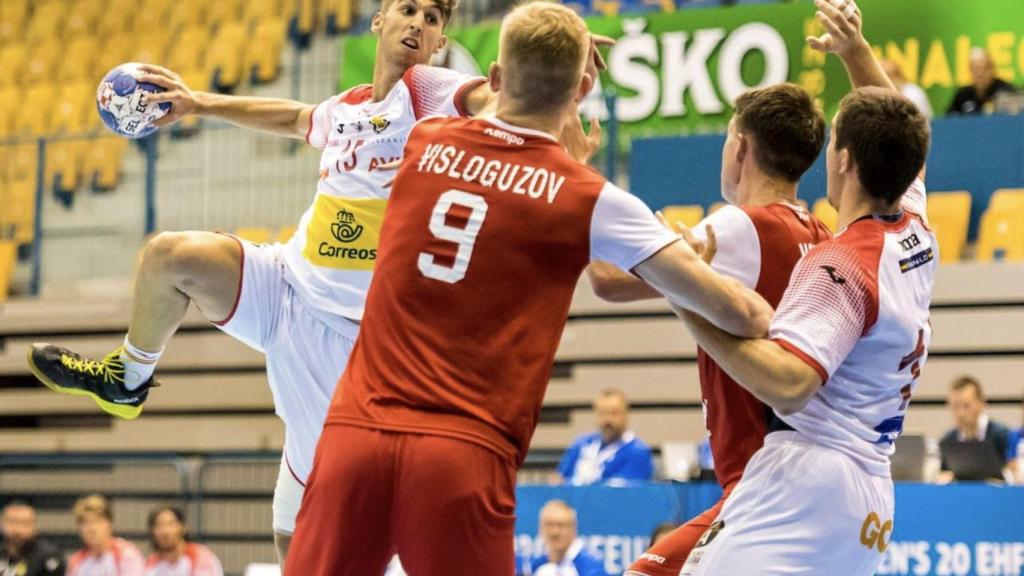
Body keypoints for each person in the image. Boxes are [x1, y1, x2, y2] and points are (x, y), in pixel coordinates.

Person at [25, 0, 607, 564]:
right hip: (285, 286)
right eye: (407, 10)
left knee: (294, 543)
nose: (419, 24)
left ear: (440, 42)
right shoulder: (349, 106)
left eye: (433, 19)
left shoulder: (431, 91)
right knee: (169, 256)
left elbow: (500, 95)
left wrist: (562, 67)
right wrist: (197, 103)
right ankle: (128, 378)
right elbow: (296, 118)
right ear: (380, 20)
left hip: (349, 338)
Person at [283, 2, 773, 574]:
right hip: (461, 454)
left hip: (353, 439)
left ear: (493, 78)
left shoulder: (423, 142)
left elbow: (494, 131)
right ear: (583, 90)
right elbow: (739, 314)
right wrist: (755, 303)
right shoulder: (586, 196)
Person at [672, 1, 934, 574]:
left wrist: (687, 302)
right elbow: (905, 145)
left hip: (805, 482)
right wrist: (856, 53)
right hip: (870, 494)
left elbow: (789, 385)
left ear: (842, 160)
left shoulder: (837, 264)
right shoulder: (914, 229)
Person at [588, 75, 829, 576]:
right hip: (800, 481)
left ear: (739, 145)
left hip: (762, 487)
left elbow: (608, 279)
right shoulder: (820, 233)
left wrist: (576, 176)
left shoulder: (742, 225)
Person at [557, 388, 654, 485]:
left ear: (626, 415)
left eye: (614, 413)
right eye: (602, 413)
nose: (608, 419)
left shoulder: (637, 451)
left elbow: (621, 493)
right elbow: (560, 480)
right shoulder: (581, 444)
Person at [937, 376, 1013, 483]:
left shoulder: (1003, 436)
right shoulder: (948, 440)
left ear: (981, 403)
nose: (961, 413)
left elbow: (1014, 474)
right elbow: (944, 473)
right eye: (955, 406)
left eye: (966, 406)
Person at [67, 495, 145, 576]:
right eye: (86, 523)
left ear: (109, 524)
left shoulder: (127, 555)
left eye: (97, 521)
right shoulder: (76, 562)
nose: (92, 528)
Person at [524, 501, 605, 576]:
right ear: (540, 528)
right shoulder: (535, 566)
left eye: (561, 525)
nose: (554, 532)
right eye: (549, 525)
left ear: (574, 528)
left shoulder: (590, 568)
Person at [144, 506, 223, 576]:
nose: (165, 531)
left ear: (183, 527)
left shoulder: (201, 557)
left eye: (170, 524)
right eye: (159, 525)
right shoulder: (151, 564)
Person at [0, 500, 64, 576]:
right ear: (2, 523)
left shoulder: (48, 557)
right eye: (12, 521)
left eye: (24, 523)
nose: (18, 529)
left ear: (34, 526)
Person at [947, 48, 1016, 115]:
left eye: (984, 68)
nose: (980, 74)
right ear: (970, 70)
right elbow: (948, 120)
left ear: (992, 69)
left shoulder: (1005, 90)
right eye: (976, 69)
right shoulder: (963, 95)